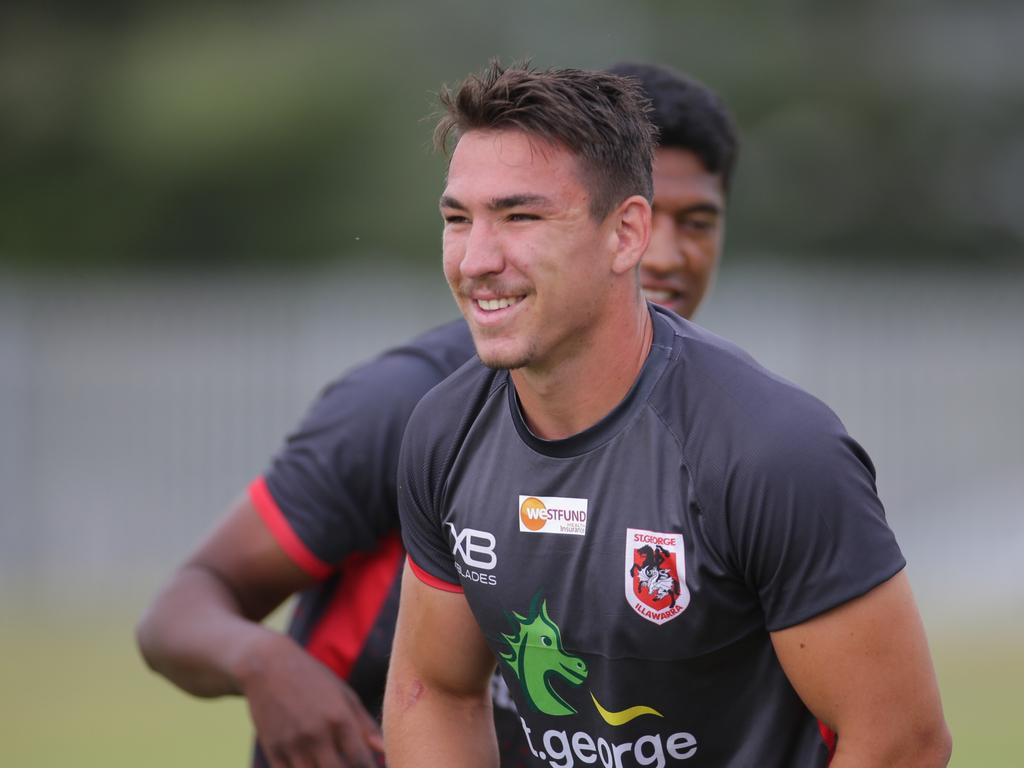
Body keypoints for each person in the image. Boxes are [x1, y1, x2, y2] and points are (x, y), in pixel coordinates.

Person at [134, 63, 740, 768]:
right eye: (647, 213)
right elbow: (180, 607)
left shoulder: (716, 429)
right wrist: (264, 662)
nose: (664, 254)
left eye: (695, 221)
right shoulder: (411, 405)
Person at [383, 61, 951, 768]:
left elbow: (901, 742)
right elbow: (435, 690)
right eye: (458, 219)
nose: (476, 259)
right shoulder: (444, 433)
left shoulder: (771, 452)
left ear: (626, 235)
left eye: (520, 216)